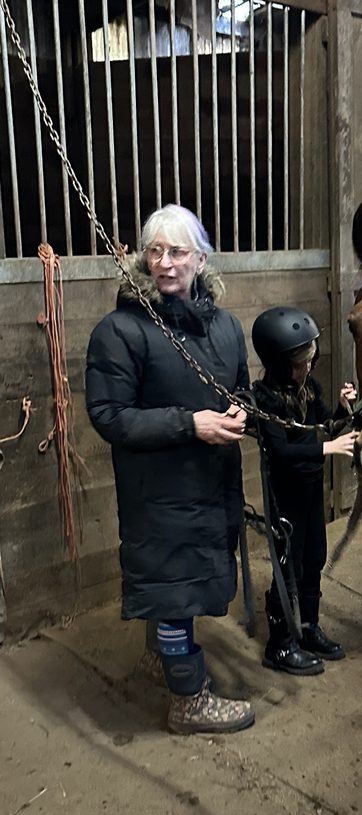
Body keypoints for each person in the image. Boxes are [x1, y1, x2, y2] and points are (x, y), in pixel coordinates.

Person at [86, 204, 255, 735]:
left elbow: (242, 388)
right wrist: (190, 424)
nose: (165, 263)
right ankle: (188, 701)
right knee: (174, 589)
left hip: (212, 484)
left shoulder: (226, 327)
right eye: (155, 251)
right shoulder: (120, 331)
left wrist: (242, 410)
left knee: (184, 585)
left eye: (178, 252)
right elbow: (109, 415)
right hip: (158, 491)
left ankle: (159, 657)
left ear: (200, 260)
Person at [251, 308, 358, 675]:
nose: (307, 368)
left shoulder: (309, 389)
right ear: (279, 365)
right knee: (288, 566)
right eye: (300, 364)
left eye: (310, 360)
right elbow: (281, 450)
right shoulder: (265, 400)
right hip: (286, 495)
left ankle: (309, 628)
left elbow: (325, 425)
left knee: (314, 558)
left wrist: (344, 410)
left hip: (311, 489)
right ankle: (279, 644)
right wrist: (326, 448)